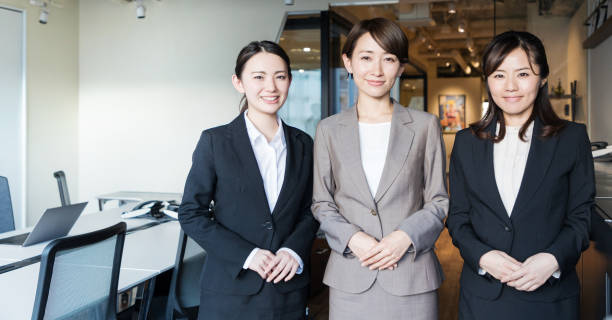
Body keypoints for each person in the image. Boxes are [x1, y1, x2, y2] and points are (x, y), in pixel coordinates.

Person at [446, 30, 595, 320]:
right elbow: (458, 218)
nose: (510, 86)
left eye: (523, 74)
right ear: (488, 81)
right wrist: (483, 257)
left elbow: (582, 217)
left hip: (550, 297)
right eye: (499, 75)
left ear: (542, 79)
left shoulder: (572, 138)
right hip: (484, 296)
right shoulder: (466, 141)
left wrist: (552, 260)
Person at [311, 18, 448, 320]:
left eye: (388, 59)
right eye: (366, 57)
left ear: (400, 67)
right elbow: (322, 202)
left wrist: (405, 237)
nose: (376, 70)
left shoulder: (425, 126)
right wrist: (353, 239)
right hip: (350, 276)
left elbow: (438, 200)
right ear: (348, 62)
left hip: (411, 275)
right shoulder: (328, 130)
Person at [178, 40, 319, 320]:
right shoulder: (215, 142)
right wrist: (248, 254)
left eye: (280, 77)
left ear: (289, 81)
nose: (271, 87)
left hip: (286, 289)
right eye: (258, 77)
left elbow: (312, 208)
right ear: (238, 82)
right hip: (230, 291)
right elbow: (191, 213)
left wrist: (294, 249)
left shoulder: (304, 144)